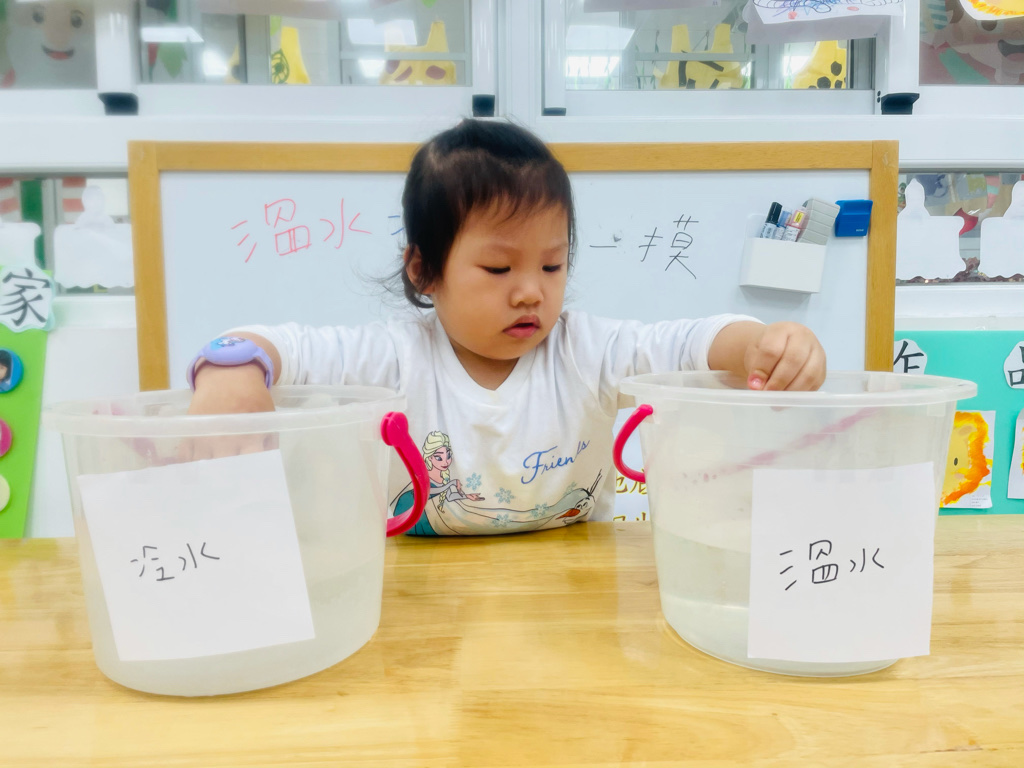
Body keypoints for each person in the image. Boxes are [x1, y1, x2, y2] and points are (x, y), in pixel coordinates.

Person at [187, 119, 826, 535]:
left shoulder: (585, 350)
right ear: (424, 270)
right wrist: (230, 370)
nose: (530, 291)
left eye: (552, 265)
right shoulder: (395, 358)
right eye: (498, 268)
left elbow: (686, 344)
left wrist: (760, 346)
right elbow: (285, 348)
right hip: (425, 598)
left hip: (572, 590)